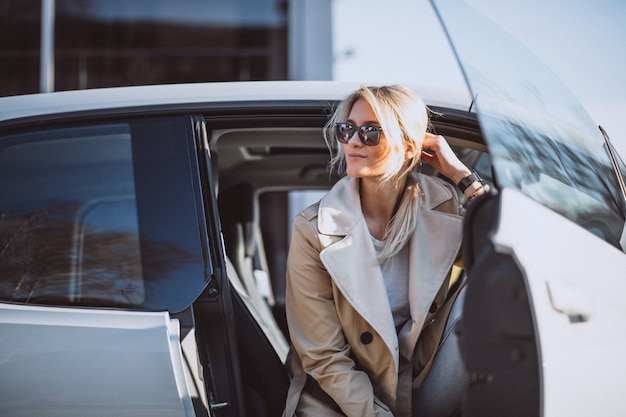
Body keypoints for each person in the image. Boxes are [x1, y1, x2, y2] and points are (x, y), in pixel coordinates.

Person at [281, 85, 487, 417]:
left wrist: (462, 176)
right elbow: (324, 357)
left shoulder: (439, 209)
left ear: (409, 148)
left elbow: (510, 249)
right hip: (341, 400)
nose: (353, 141)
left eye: (371, 132)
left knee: (486, 289)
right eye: (347, 129)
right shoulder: (313, 229)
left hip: (416, 382)